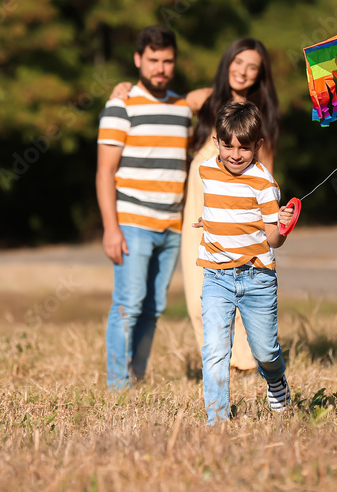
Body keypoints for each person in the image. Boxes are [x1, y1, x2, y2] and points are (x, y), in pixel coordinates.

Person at [111, 38, 280, 372]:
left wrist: (268, 218)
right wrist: (125, 89)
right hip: (197, 212)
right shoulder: (203, 99)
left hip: (241, 212)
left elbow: (268, 174)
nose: (242, 71)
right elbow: (159, 102)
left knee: (244, 283)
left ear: (261, 75)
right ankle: (219, 359)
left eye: (252, 67)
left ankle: (246, 363)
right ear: (227, 62)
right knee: (199, 289)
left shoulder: (262, 116)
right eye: (238, 62)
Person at [96, 25, 193, 390]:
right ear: (138, 60)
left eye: (167, 61)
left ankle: (137, 377)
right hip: (132, 222)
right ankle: (118, 384)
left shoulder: (183, 109)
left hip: (172, 225)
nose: (160, 68)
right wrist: (110, 227)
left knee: (154, 308)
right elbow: (104, 172)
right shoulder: (120, 106)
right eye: (153, 60)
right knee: (128, 303)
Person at [192, 101, 295, 424]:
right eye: (228, 145)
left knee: (265, 351)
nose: (235, 154)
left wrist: (283, 224)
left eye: (244, 147)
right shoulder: (206, 169)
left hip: (257, 277)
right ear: (216, 142)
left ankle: (275, 379)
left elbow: (273, 240)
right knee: (215, 350)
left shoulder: (264, 185)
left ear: (258, 146)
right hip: (216, 277)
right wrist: (208, 220)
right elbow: (220, 205)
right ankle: (217, 419)